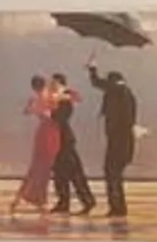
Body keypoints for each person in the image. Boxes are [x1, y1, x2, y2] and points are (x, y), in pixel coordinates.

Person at [89, 59, 141, 223]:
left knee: (112, 173)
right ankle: (118, 207)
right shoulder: (126, 93)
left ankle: (117, 208)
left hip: (118, 142)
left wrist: (93, 69)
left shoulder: (118, 92)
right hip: (123, 142)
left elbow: (100, 84)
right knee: (115, 175)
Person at [50, 71, 97, 217]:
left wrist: (52, 108)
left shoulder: (65, 98)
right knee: (59, 172)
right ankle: (63, 202)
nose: (51, 85)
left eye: (54, 82)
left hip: (65, 140)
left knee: (74, 172)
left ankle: (87, 201)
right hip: (57, 139)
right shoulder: (55, 98)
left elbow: (61, 117)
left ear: (60, 83)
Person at [17, 75, 64, 215]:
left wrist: (34, 108)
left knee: (38, 167)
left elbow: (27, 112)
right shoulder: (51, 97)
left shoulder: (37, 99)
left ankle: (26, 198)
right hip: (51, 133)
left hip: (44, 133)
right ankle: (39, 199)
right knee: (44, 167)